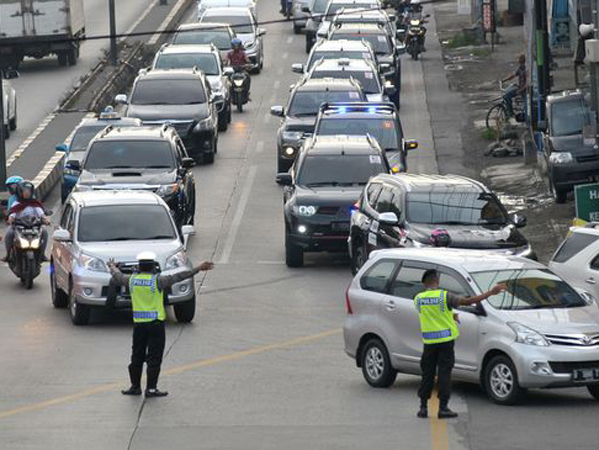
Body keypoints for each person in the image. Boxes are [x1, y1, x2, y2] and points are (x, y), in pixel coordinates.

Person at [107, 253, 214, 398]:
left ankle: (135, 387)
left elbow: (117, 277)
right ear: (152, 267)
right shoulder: (157, 281)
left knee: (136, 356)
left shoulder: (131, 280)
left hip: (139, 326)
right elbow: (180, 276)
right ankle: (151, 389)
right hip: (155, 326)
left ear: (139, 267)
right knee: (154, 357)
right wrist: (199, 268)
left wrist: (112, 266)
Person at [414, 269, 506, 419]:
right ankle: (443, 408)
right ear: (437, 281)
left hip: (429, 342)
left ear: (424, 283)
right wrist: (491, 292)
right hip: (445, 342)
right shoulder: (444, 296)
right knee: (444, 374)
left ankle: (423, 407)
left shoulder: (418, 298)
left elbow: (431, 313)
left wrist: (450, 315)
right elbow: (468, 302)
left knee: (427, 374)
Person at [3, 181, 50, 262]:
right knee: (9, 233)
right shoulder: (16, 203)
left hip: (34, 226)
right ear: (20, 192)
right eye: (24, 191)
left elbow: (41, 213)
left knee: (45, 232)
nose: (27, 193)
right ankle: (8, 255)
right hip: (19, 226)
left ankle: (42, 254)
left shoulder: (35, 203)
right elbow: (12, 214)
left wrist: (45, 220)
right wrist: (10, 220)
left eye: (28, 191)